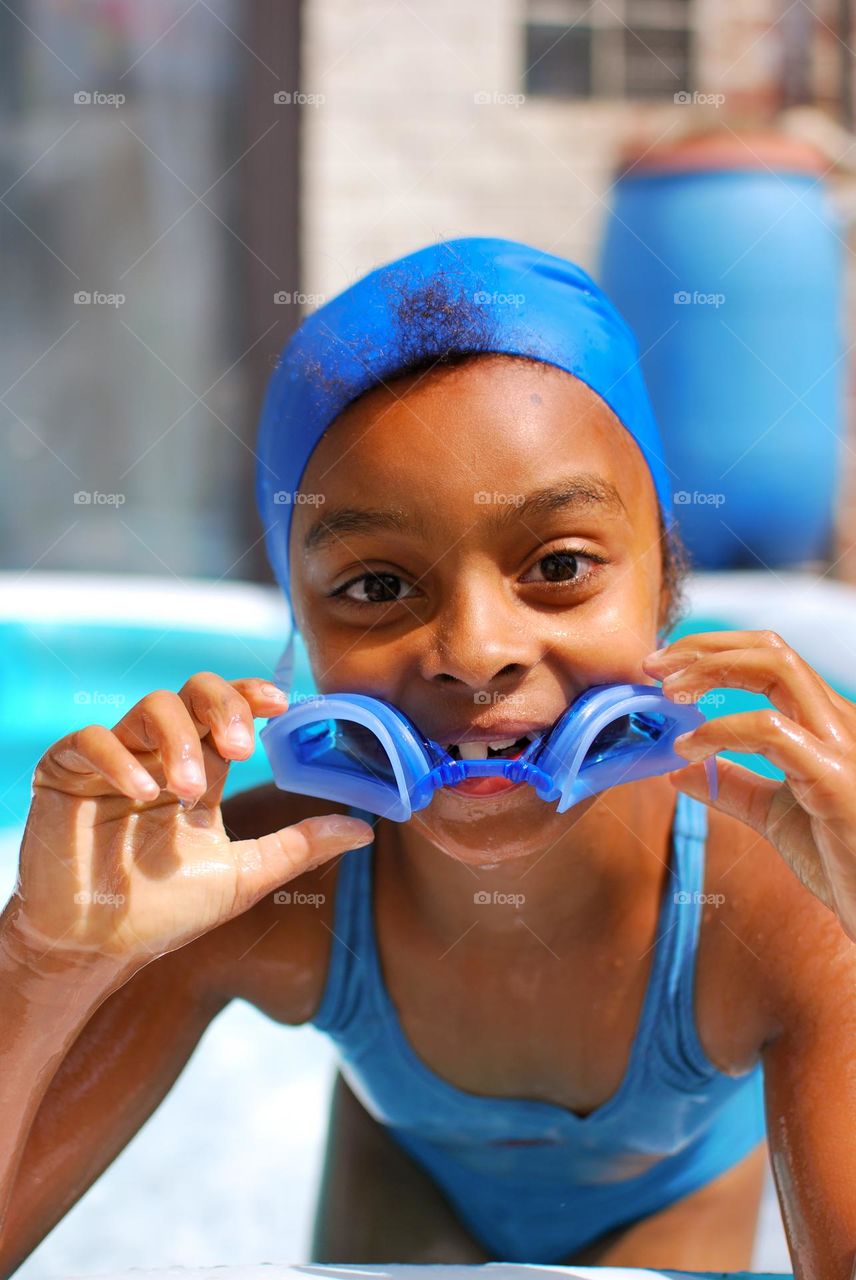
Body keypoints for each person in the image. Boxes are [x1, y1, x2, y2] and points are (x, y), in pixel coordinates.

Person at [1, 238, 855, 1278]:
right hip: (401, 1181)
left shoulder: (782, 897)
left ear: (665, 587)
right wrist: (41, 963)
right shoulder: (248, 880)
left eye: (559, 564)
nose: (475, 649)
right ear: (301, 640)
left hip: (675, 1199)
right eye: (373, 586)